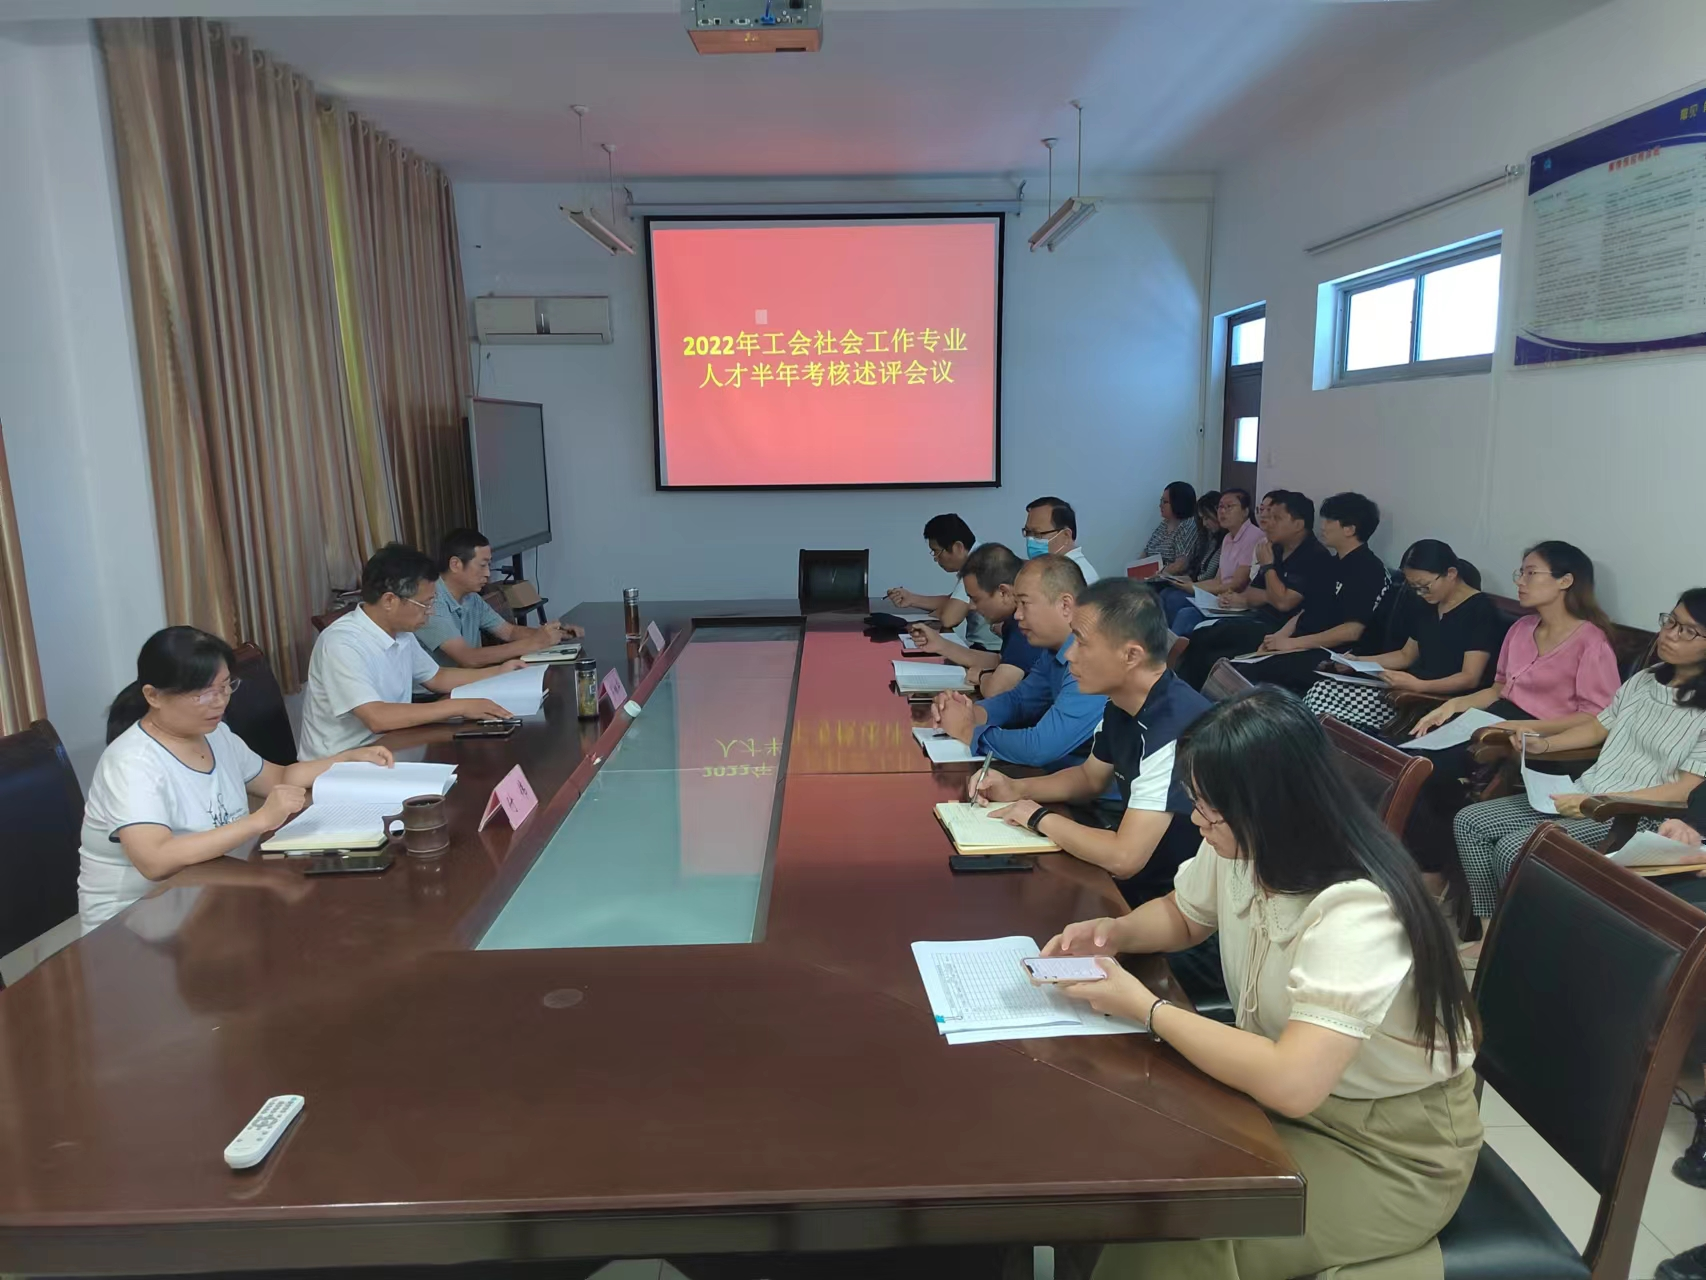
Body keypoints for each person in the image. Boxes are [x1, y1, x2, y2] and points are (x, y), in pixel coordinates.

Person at [1044, 687, 1481, 1279]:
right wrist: (1115, 932)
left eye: (1209, 811)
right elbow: (1185, 914)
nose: (1197, 822)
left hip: (1389, 1148)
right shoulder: (1243, 842)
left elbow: (1293, 1082)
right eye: (1196, 803)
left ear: (1269, 807)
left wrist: (1147, 1008)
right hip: (1278, 1106)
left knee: (1179, 1225)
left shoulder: (1358, 909)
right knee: (1121, 1149)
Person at [79, 627, 397, 932]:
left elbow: (280, 776)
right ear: (154, 696)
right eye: (202, 693)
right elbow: (155, 860)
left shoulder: (215, 734)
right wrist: (259, 821)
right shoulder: (132, 762)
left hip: (208, 894)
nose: (220, 701)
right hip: (135, 923)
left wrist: (346, 759)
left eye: (224, 686)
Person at [1452, 588, 1706, 923]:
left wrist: (1596, 800)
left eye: (1688, 631)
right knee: (1469, 823)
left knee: (1514, 849)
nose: (1669, 634)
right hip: (1586, 792)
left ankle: (1518, 936)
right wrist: (1546, 745)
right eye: (1670, 621)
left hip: (1633, 814)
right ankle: (1491, 932)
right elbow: (1599, 727)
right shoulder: (1645, 679)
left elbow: (1684, 790)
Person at [972, 579, 1210, 905]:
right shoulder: (1123, 702)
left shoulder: (1173, 729)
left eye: (1082, 643)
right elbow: (1089, 778)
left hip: (1177, 901)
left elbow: (1124, 857)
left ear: (1131, 655)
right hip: (1147, 879)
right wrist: (1015, 788)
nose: (1070, 654)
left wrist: (1038, 817)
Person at [1401, 542, 1623, 889]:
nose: (1520, 581)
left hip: (1546, 736)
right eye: (1521, 572)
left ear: (1565, 581)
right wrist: (1453, 706)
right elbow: (1497, 689)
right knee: (1410, 755)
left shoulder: (1591, 642)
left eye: (1531, 573)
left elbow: (1597, 717)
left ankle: (1432, 873)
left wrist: (1521, 725)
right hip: (1497, 718)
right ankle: (1410, 859)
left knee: (1431, 770)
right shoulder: (1521, 629)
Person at [299, 543, 525, 758]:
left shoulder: (400, 632)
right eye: (425, 604)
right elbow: (377, 717)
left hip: (390, 746)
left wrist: (499, 672)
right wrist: (460, 706)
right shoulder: (342, 643)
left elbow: (437, 677)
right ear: (390, 601)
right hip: (341, 765)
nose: (430, 612)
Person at [1303, 540, 1507, 732]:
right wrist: (1358, 661)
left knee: (1324, 702)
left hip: (1434, 700)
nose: (1419, 593)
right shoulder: (1427, 603)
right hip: (1407, 689)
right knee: (1322, 692)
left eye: (1424, 585)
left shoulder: (1480, 611)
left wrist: (1419, 685)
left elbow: (1470, 678)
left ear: (1451, 573)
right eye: (1413, 587)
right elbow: (1405, 655)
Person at [929, 554, 1106, 771]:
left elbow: (1040, 747)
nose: (1017, 615)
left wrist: (968, 731)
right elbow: (1020, 701)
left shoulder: (1092, 657)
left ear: (1065, 605)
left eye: (1024, 603)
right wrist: (971, 713)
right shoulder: (1054, 650)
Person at [1217, 492, 1391, 690]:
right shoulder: (1332, 564)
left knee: (1258, 672)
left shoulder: (1369, 570)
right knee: (1236, 663)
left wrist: (1293, 644)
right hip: (1305, 642)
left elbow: (1351, 631)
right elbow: (1306, 611)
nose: (1322, 526)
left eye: (1329, 520)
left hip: (1334, 655)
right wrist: (1278, 638)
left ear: (1350, 529)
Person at [1177, 491, 1336, 689]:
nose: (1268, 523)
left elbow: (1284, 604)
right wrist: (1274, 594)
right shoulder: (1276, 548)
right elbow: (1252, 594)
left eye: (1277, 518)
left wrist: (1269, 568)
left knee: (1210, 642)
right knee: (1202, 638)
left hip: (1282, 630)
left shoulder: (1314, 555)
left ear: (1298, 524)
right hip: (1259, 617)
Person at [417, 528, 583, 668]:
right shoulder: (431, 602)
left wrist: (551, 634)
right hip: (438, 693)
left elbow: (509, 632)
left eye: (489, 565)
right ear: (455, 564)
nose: (488, 573)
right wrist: (533, 643)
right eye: (482, 565)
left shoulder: (471, 598)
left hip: (470, 681)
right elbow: (468, 657)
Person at [906, 543, 1045, 698]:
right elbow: (999, 661)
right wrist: (940, 645)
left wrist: (980, 676)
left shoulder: (1026, 623)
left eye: (975, 599)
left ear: (1003, 593)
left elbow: (997, 690)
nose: (971, 606)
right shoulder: (1013, 619)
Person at [884, 513, 999, 649]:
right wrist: (911, 599)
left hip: (991, 651)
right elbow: (955, 601)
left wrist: (940, 612)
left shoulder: (977, 566)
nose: (935, 558)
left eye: (936, 551)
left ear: (958, 547)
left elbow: (949, 618)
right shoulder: (983, 555)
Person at [1161, 488, 1262, 632]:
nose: (1223, 511)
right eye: (1220, 507)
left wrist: (1193, 588)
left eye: (1229, 507)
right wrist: (1191, 586)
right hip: (1220, 598)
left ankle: (1172, 646)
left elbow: (1237, 585)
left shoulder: (1254, 536)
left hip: (1238, 603)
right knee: (1168, 595)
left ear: (1245, 511)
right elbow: (1218, 580)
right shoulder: (1227, 538)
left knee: (1185, 613)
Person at [1023, 495, 1099, 582]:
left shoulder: (1079, 578)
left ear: (1066, 536)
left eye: (1037, 534)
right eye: (1028, 532)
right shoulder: (1049, 568)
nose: (1030, 540)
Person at [1140, 481, 1200, 577]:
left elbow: (1181, 564)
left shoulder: (1187, 526)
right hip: (1151, 576)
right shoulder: (1164, 524)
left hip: (1170, 579)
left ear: (1178, 503)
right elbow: (1146, 551)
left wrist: (1156, 575)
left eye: (1165, 502)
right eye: (1161, 501)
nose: (1160, 505)